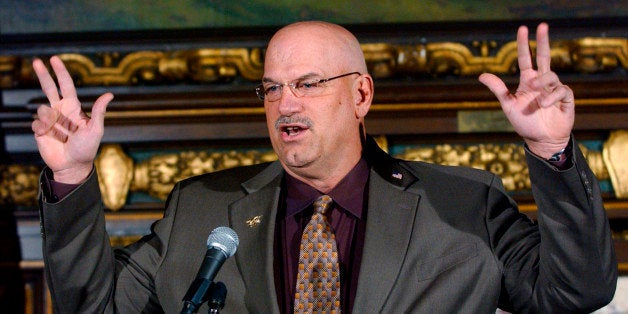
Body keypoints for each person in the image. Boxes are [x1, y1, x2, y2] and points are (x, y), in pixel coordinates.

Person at [32, 21, 617, 313]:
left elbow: (575, 290)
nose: (285, 103)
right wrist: (71, 178)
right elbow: (95, 307)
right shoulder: (202, 209)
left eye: (309, 85)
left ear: (361, 95)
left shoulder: (464, 204)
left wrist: (551, 154)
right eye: (272, 88)